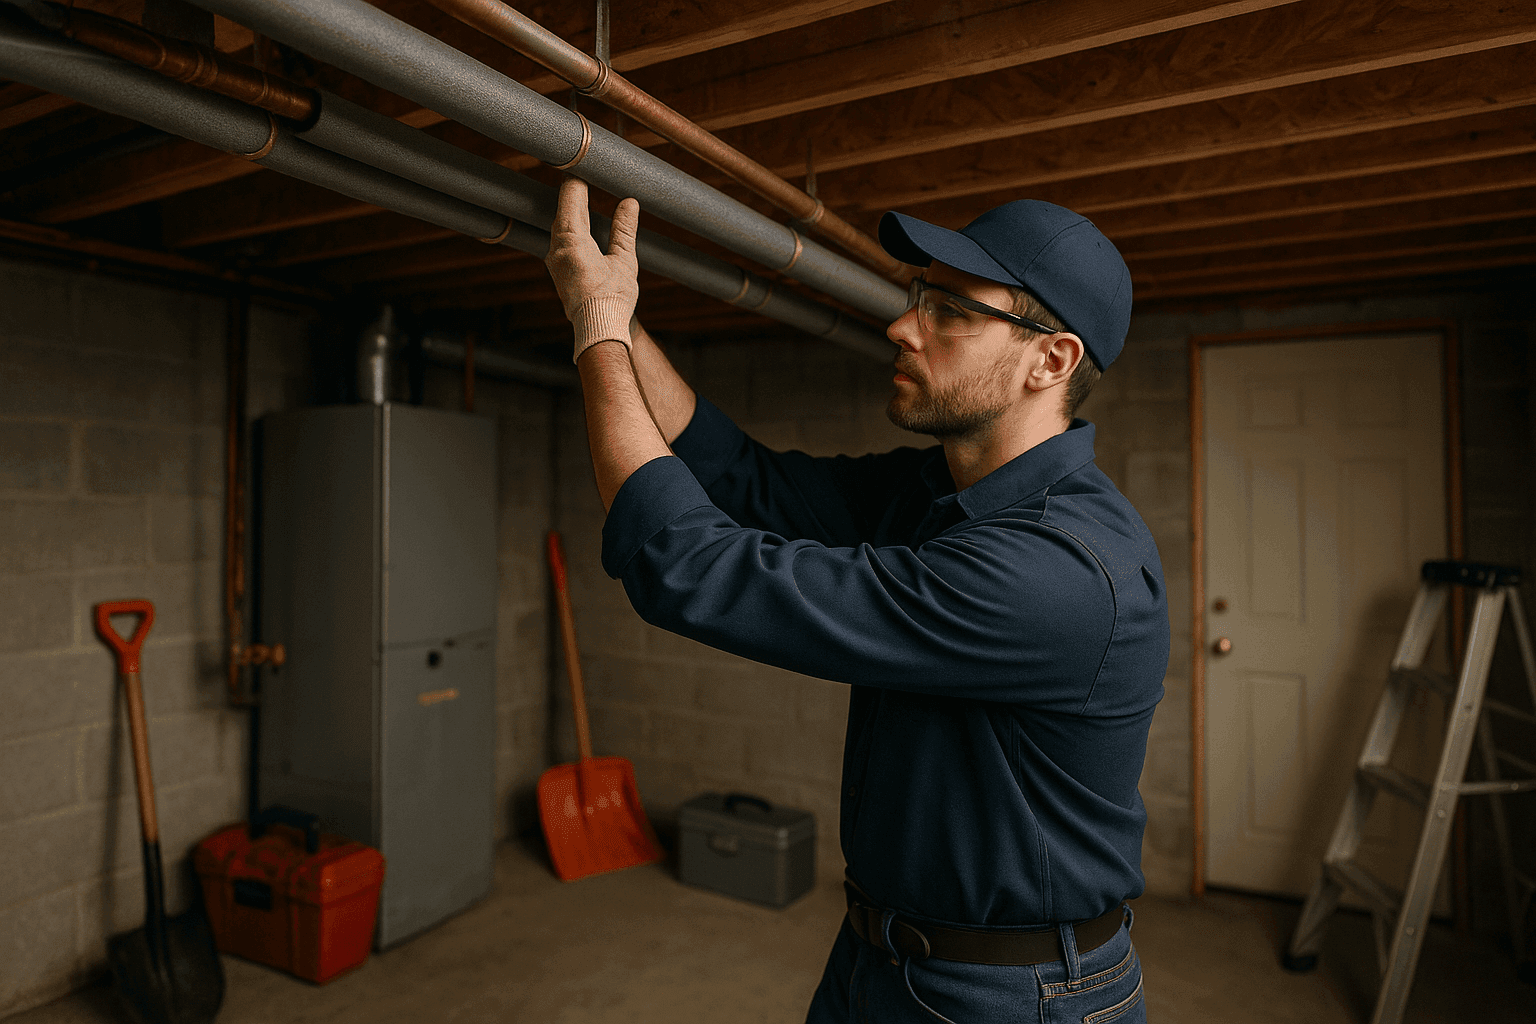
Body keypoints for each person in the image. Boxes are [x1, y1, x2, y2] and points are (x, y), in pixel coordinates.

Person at [544, 176, 1169, 1024]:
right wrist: (620, 313)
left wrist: (597, 338)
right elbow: (743, 481)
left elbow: (693, 565)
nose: (903, 325)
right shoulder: (940, 494)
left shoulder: (1054, 571)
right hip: (883, 957)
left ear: (1049, 359)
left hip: (1011, 997)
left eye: (949, 309)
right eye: (920, 296)